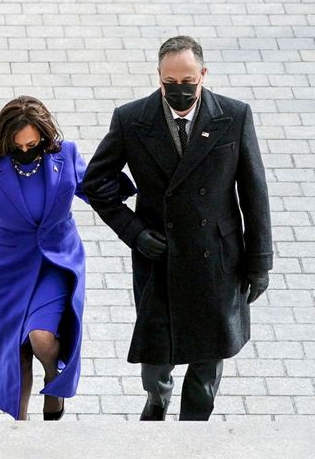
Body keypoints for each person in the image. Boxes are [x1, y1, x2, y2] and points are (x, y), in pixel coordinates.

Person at [82, 35, 272, 421]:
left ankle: (191, 436)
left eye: (188, 81)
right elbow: (94, 184)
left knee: (206, 368)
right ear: (159, 77)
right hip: (160, 259)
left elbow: (254, 192)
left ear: (203, 74)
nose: (179, 89)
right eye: (171, 82)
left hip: (217, 261)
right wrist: (134, 232)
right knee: (155, 365)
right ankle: (157, 400)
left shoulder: (234, 117)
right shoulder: (132, 120)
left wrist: (260, 262)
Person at [0, 96, 133, 420]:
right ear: (5, 141)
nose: (27, 151)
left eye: (33, 144)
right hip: (7, 270)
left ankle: (54, 381)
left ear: (44, 136)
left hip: (56, 264)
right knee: (16, 358)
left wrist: (135, 191)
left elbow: (96, 191)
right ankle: (21, 430)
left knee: (41, 338)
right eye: (19, 147)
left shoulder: (66, 155)